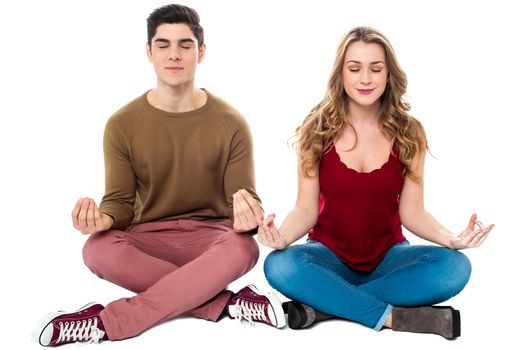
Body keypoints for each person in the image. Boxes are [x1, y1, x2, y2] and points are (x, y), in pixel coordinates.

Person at [31, 4, 285, 347]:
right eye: (163, 45)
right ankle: (224, 303)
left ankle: (106, 323)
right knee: (97, 250)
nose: (174, 55)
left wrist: (248, 217)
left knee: (244, 248)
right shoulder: (122, 124)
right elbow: (119, 203)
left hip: (210, 243)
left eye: (185, 45)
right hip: (146, 241)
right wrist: (101, 219)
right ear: (149, 52)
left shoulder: (232, 122)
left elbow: (242, 200)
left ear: (202, 52)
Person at [259, 26, 494, 339]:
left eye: (375, 69)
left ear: (388, 75)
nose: (365, 79)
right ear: (341, 75)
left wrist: (452, 239)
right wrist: (281, 237)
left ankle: (326, 306)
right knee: (279, 266)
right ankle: (389, 317)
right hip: (328, 257)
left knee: (456, 267)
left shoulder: (410, 133)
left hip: (388, 259)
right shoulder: (316, 130)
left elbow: (413, 212)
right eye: (354, 69)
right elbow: (305, 208)